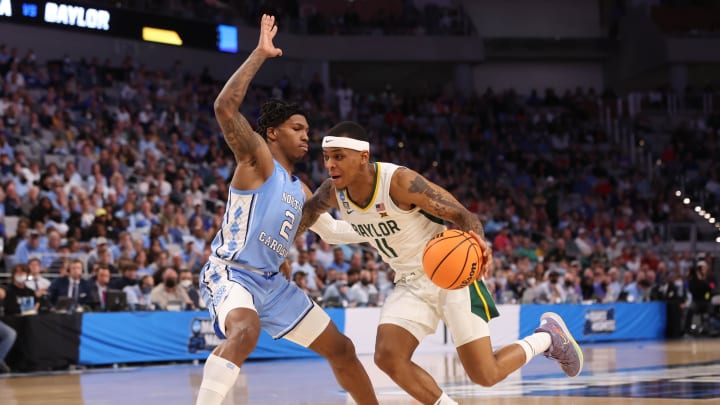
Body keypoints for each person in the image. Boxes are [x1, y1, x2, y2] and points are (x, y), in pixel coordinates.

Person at [299, 121, 584, 405]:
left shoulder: (399, 182)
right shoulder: (332, 193)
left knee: (486, 374)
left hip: (452, 275)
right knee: (388, 357)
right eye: (326, 157)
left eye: (338, 156)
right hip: (410, 282)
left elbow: (462, 215)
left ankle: (548, 337)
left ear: (363, 157)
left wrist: (479, 244)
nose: (329, 165)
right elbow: (308, 216)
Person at [195, 15, 377, 405]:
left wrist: (381, 230)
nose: (306, 137)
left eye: (308, 132)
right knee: (245, 331)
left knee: (341, 348)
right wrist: (260, 54)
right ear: (273, 132)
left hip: (271, 285)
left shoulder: (301, 189)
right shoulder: (258, 159)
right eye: (298, 129)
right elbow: (225, 108)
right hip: (233, 273)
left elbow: (330, 231)